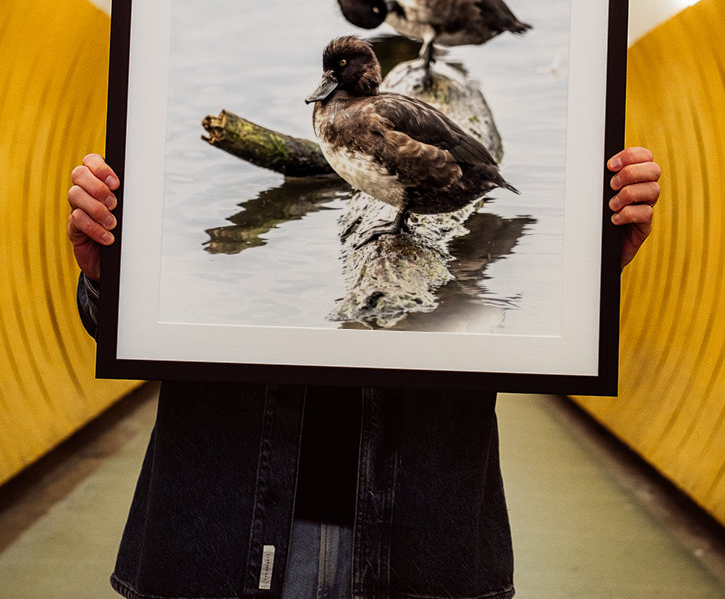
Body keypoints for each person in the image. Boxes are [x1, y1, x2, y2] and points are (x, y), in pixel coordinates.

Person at [68, 147, 661, 599]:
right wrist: (110, 278)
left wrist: (587, 270)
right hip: (220, 533)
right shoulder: (191, 178)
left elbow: (519, 325)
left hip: (422, 540)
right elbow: (127, 327)